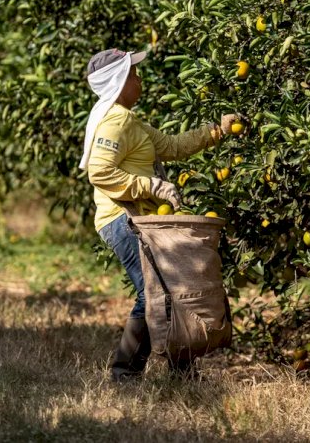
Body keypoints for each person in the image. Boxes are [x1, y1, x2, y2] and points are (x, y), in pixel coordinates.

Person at [79, 48, 241, 381]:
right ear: (120, 81)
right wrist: (153, 187)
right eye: (134, 75)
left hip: (140, 222)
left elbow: (173, 146)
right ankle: (125, 373)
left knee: (168, 293)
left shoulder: (129, 120)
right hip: (123, 221)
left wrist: (218, 131)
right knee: (155, 293)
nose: (140, 80)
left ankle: (182, 374)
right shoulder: (116, 120)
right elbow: (100, 172)